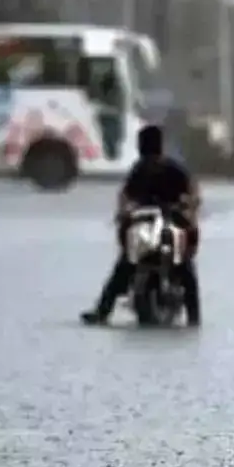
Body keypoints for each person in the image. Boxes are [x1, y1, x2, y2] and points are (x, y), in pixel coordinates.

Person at [80, 125, 202, 326]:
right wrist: (124, 213)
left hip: (171, 220)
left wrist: (188, 208)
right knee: (127, 262)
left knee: (181, 264)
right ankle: (102, 311)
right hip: (146, 223)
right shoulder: (144, 168)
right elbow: (125, 196)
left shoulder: (163, 168)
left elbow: (192, 192)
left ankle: (103, 311)